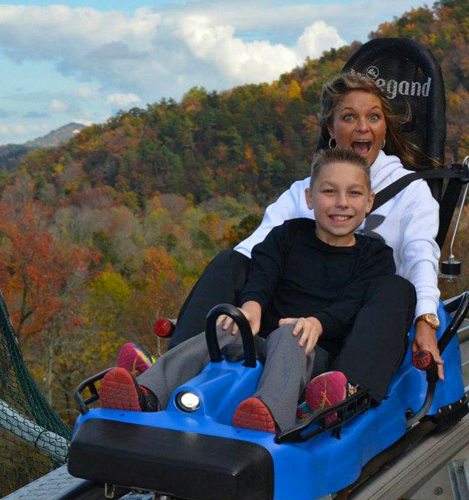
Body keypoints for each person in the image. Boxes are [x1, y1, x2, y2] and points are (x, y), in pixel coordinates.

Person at [165, 72, 444, 403]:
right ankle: (174, 365)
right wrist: (249, 304)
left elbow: (420, 256)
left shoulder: (411, 192)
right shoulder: (305, 192)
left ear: (385, 129)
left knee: (397, 287)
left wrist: (426, 319)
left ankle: (344, 392)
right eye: (349, 117)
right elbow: (255, 250)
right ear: (331, 128)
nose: (362, 127)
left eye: (373, 117)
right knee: (231, 261)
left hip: (359, 319)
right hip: (291, 319)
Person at [99, 148, 404, 433]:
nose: (341, 202)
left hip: (313, 356)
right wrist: (251, 306)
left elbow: (353, 303)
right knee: (226, 326)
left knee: (291, 333)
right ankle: (148, 391)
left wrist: (318, 322)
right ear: (310, 198)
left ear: (369, 201)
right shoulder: (288, 235)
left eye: (354, 193)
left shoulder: (374, 256)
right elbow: (262, 271)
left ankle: (269, 413)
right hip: (260, 345)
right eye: (328, 191)